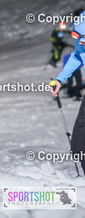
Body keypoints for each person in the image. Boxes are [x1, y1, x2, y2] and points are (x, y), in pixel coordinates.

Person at [50, 11, 85, 173]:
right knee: (78, 146)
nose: (81, 42)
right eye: (78, 38)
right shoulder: (81, 40)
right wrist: (60, 79)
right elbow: (77, 56)